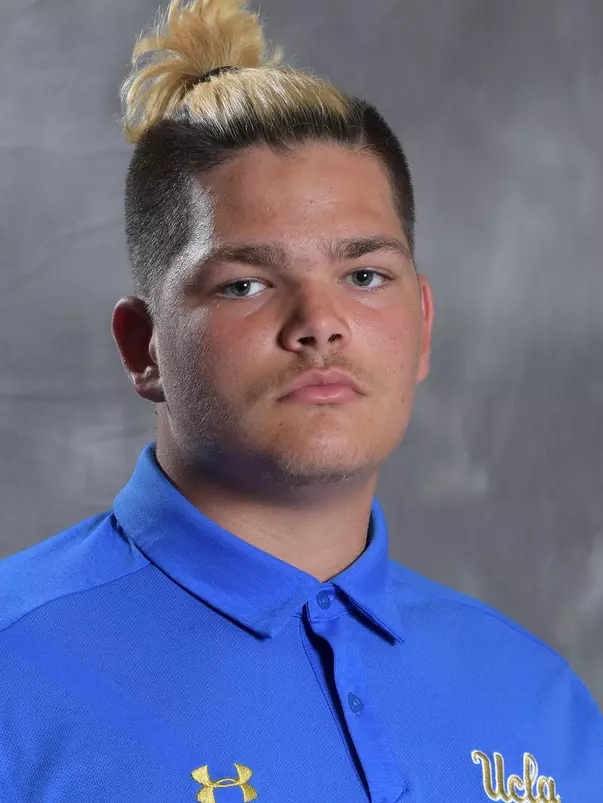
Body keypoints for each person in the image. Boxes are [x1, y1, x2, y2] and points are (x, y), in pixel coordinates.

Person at [1, 0, 601, 800]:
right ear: (143, 347)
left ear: (419, 324)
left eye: (363, 276)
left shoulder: (540, 700)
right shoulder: (17, 670)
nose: (319, 323)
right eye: (244, 283)